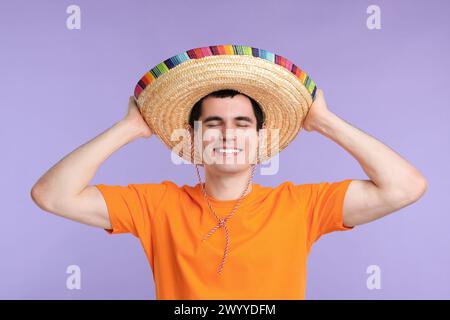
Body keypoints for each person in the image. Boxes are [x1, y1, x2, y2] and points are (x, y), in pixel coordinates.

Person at [30, 44, 428, 300]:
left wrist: (325, 122)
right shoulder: (156, 205)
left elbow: (405, 187)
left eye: (241, 123)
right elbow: (51, 195)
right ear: (194, 137)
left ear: (259, 138)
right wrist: (129, 128)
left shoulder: (301, 205)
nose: (228, 134)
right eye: (214, 123)